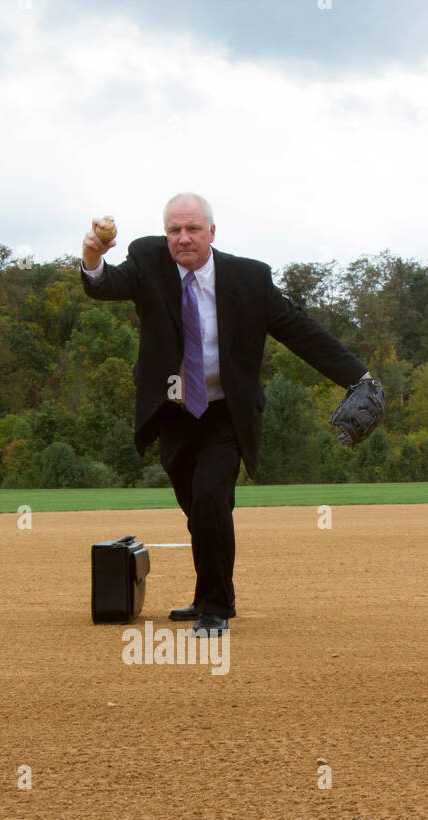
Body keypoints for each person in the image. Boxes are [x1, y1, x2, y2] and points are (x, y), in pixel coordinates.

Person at [80, 193, 371, 634]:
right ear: (165, 234)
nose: (183, 239)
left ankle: (215, 608)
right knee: (197, 508)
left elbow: (300, 331)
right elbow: (104, 284)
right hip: (175, 411)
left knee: (212, 496)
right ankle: (214, 595)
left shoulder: (249, 279)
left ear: (212, 233)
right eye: (175, 230)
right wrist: (93, 256)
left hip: (225, 412)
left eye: (193, 229)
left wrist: (359, 376)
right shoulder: (147, 261)